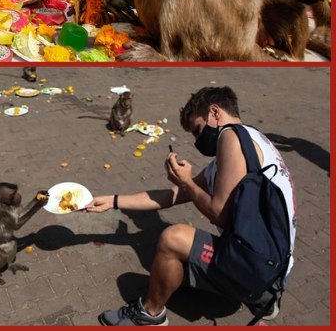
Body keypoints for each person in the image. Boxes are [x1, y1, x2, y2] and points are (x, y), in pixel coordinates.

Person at [89, 86, 297, 326]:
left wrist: (186, 181)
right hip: (272, 262)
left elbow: (218, 213)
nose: (198, 141)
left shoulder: (231, 136)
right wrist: (113, 200)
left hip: (259, 270)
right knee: (169, 263)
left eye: (198, 130)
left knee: (171, 238)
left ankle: (149, 314)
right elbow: (172, 196)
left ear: (215, 112)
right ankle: (255, 294)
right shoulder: (253, 139)